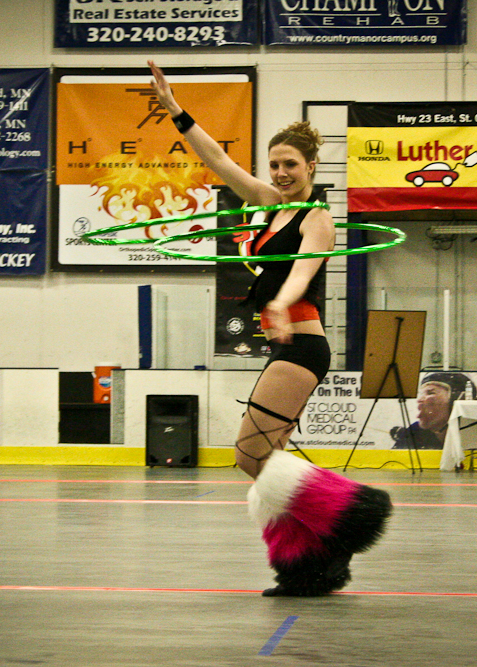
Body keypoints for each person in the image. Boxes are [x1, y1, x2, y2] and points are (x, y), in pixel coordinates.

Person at [148, 61, 392, 597]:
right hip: (283, 343)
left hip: (303, 344)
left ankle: (349, 515)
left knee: (249, 455)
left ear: (310, 167)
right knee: (270, 460)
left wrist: (281, 300)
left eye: (291, 166)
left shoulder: (317, 217)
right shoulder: (266, 204)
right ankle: (308, 565)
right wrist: (175, 111)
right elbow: (216, 159)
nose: (281, 174)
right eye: (275, 165)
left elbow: (306, 267)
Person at [392, 372, 476, 449]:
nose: (420, 400)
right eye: (422, 394)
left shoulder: (476, 433)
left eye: (430, 393)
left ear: (458, 400)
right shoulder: (414, 433)